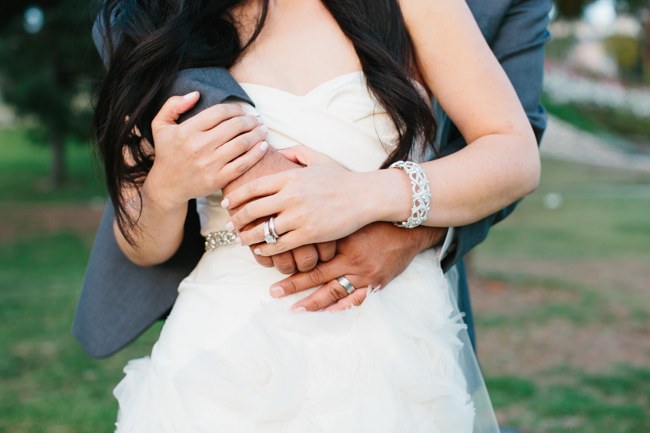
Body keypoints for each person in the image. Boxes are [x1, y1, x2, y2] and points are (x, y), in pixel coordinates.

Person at [85, 0, 548, 431]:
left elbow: (513, 152)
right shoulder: (156, 19)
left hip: (389, 347)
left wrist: (366, 195)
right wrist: (166, 185)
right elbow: (142, 246)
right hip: (220, 356)